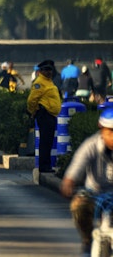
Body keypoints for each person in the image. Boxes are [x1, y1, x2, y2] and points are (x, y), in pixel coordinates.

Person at [61, 108, 113, 255]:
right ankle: (87, 240)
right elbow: (77, 165)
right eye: (110, 132)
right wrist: (69, 182)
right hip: (94, 194)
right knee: (78, 205)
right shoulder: (91, 145)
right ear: (101, 129)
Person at [27, 59, 62, 173]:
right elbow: (32, 99)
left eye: (50, 70)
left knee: (48, 141)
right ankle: (44, 166)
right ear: (40, 71)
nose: (49, 72)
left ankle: (46, 165)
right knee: (45, 142)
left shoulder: (49, 82)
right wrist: (33, 111)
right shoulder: (39, 83)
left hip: (51, 115)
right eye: (46, 70)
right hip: (45, 114)